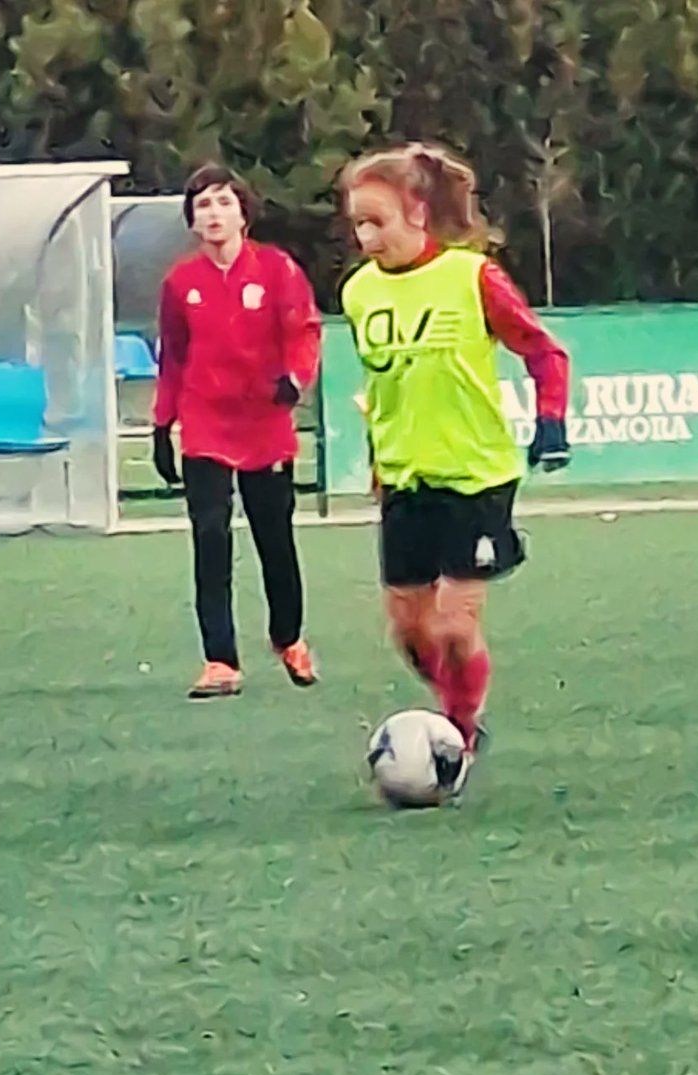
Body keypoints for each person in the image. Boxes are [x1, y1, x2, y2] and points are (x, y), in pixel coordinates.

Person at [338, 142, 570, 765]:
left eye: (376, 222)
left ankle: (460, 735)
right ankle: (452, 716)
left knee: (452, 625)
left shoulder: (472, 276)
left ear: (416, 212)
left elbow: (545, 352)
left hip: (476, 477)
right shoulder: (360, 294)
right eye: (357, 223)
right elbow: (384, 388)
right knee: (409, 633)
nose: (365, 237)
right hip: (406, 481)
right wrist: (379, 463)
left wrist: (551, 421)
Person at [153, 163, 321, 699]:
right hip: (205, 424)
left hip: (265, 426)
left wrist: (295, 379)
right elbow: (174, 357)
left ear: (244, 213)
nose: (214, 214)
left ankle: (288, 636)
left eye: (223, 202)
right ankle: (220, 660)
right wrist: (162, 424)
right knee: (210, 537)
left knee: (275, 538)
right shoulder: (180, 283)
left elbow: (304, 333)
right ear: (192, 220)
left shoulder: (277, 270)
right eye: (203, 205)